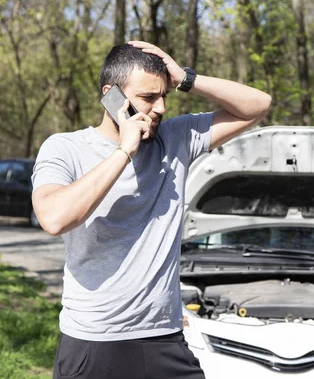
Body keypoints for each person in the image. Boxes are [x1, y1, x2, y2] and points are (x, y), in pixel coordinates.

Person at [31, 40, 271, 379]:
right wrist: (122, 152)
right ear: (111, 95)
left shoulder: (175, 139)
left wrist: (186, 79)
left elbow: (258, 105)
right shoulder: (65, 148)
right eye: (147, 98)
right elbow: (54, 219)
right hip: (93, 340)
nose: (159, 108)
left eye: (164, 97)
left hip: (164, 339)